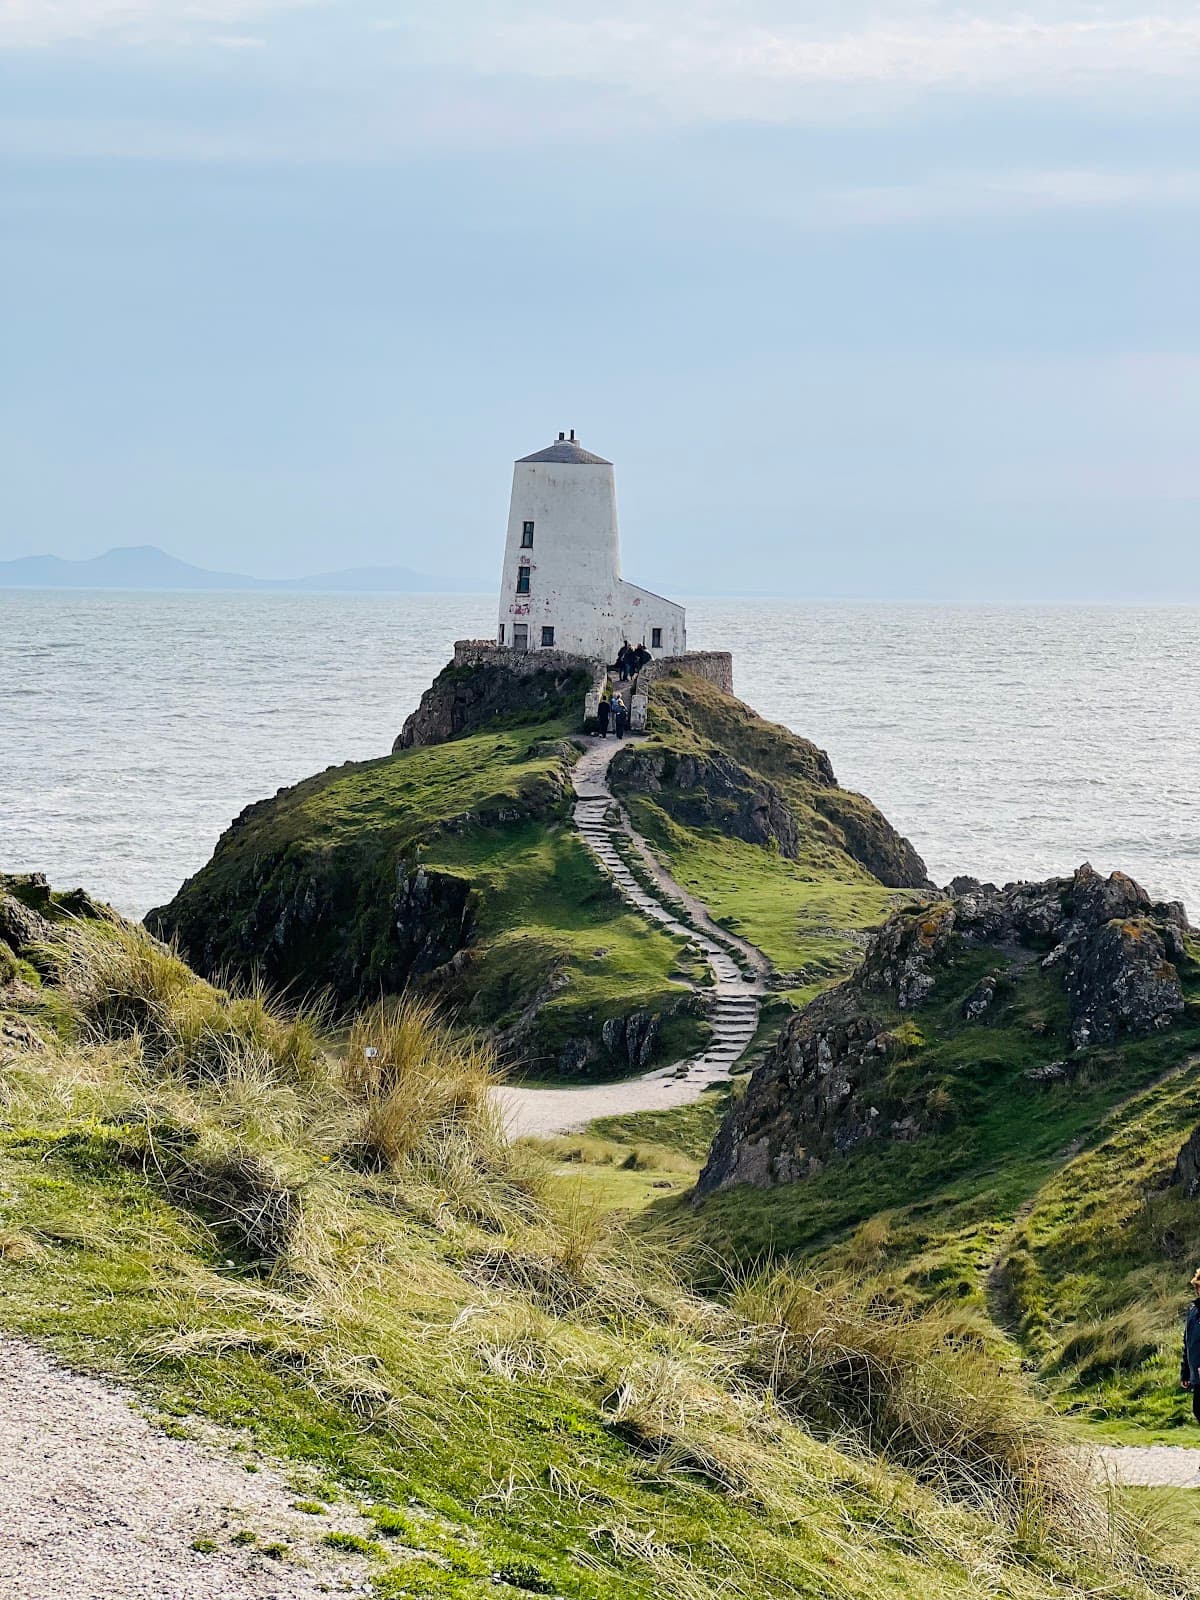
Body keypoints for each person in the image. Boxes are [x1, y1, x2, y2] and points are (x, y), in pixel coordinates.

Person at [1181, 1268, 1200, 1420]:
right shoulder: (1193, 1311)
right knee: (1197, 1410)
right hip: (1196, 1375)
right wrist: (1185, 1373)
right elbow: (1187, 1343)